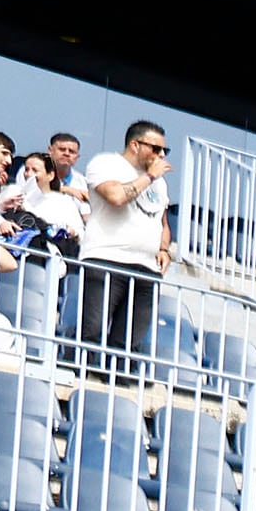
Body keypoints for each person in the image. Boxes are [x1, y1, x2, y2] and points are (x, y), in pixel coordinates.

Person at [73, 118, 169, 382]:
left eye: (164, 151)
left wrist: (164, 249)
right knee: (92, 329)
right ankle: (79, 380)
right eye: (156, 148)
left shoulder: (160, 184)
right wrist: (148, 177)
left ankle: (117, 388)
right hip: (107, 258)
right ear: (135, 145)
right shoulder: (106, 163)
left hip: (147, 268)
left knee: (129, 340)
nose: (161, 155)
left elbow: (162, 221)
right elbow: (116, 197)